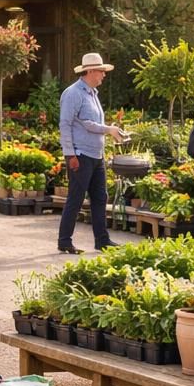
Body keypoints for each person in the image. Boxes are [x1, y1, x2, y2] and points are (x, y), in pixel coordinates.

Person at [57, 52, 129, 254]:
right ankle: (64, 241)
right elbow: (66, 124)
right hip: (80, 154)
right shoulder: (73, 93)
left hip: (96, 155)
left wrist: (109, 130)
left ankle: (102, 240)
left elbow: (88, 124)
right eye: (101, 71)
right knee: (76, 197)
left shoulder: (92, 94)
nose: (104, 75)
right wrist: (70, 155)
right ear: (90, 71)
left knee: (100, 196)